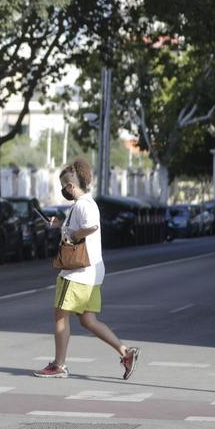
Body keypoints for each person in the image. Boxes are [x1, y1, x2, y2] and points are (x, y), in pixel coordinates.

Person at [35, 157, 140, 380]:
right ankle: (125, 352)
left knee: (60, 318)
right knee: (88, 320)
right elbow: (82, 226)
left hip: (76, 272)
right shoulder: (84, 204)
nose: (63, 190)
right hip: (92, 272)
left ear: (71, 186)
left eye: (64, 186)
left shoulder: (83, 205)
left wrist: (72, 235)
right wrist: (60, 225)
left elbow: (90, 227)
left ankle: (59, 365)